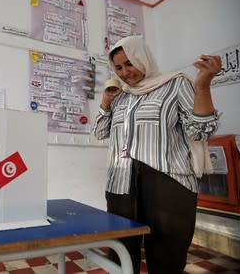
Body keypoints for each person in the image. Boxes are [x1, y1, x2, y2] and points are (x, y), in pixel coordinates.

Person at [93, 36, 221, 274]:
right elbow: (100, 132)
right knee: (121, 252)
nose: (125, 73)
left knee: (166, 254)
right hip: (121, 182)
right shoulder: (121, 95)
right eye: (118, 68)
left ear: (142, 58)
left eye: (129, 63)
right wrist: (105, 101)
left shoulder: (176, 84)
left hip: (167, 181)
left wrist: (203, 85)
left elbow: (201, 131)